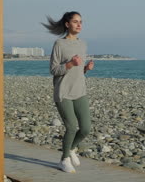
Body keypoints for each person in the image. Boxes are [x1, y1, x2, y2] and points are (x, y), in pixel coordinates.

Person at [42, 11, 94, 173]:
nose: (79, 25)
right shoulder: (59, 44)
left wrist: (85, 69)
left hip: (80, 91)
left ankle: (71, 148)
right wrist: (71, 64)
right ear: (67, 24)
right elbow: (53, 69)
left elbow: (77, 73)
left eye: (81, 22)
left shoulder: (83, 44)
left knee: (86, 128)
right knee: (71, 127)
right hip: (63, 93)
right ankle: (64, 160)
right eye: (75, 22)